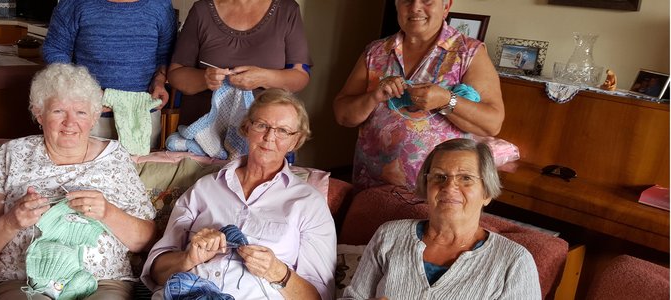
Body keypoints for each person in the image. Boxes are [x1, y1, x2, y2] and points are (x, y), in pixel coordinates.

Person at [0, 64, 156, 300]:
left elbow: (148, 240)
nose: (70, 122)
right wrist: (11, 222)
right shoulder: (12, 154)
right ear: (39, 114)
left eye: (81, 112)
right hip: (21, 282)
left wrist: (108, 213)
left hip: (102, 283)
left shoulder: (117, 158)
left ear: (94, 117)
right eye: (58, 111)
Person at [142, 89, 337, 299]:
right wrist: (189, 258)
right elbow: (157, 271)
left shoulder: (309, 203)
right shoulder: (205, 188)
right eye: (261, 125)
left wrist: (278, 273)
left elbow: (321, 296)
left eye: (283, 131)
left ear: (295, 141)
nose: (269, 137)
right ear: (246, 128)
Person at [333, 0, 505, 191]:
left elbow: (492, 124)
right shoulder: (376, 52)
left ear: (446, 6)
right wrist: (373, 97)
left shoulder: (468, 53)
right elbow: (343, 116)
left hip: (438, 191)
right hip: (371, 186)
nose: (415, 7)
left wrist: (446, 100)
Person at [341, 138, 540, 299]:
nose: (449, 187)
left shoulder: (514, 262)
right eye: (439, 176)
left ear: (486, 192)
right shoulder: (389, 235)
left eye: (466, 178)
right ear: (426, 186)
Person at [42, 0, 176, 149]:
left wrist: (159, 80)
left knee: (139, 163)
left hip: (142, 115)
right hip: (87, 114)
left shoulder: (160, 5)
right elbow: (55, 50)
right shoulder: (74, 3)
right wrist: (86, 89)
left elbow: (166, 54)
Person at [169, 0, 312, 125]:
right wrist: (205, 78)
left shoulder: (287, 10)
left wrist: (263, 78)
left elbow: (300, 76)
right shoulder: (201, 10)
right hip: (200, 131)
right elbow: (175, 74)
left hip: (265, 135)